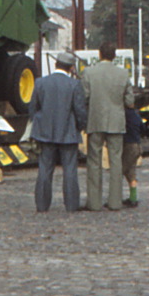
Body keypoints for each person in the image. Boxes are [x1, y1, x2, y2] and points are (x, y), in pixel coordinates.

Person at [30, 50, 87, 212]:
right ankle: (71, 205)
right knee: (70, 171)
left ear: (56, 64)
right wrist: (80, 127)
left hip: (45, 133)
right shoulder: (74, 85)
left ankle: (42, 205)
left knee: (44, 169)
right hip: (68, 134)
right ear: (71, 68)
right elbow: (80, 111)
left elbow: (33, 108)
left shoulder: (40, 83)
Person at [81, 43, 133, 212]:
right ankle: (115, 202)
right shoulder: (123, 74)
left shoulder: (89, 72)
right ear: (114, 56)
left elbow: (84, 97)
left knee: (94, 161)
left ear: (99, 54)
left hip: (95, 120)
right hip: (116, 122)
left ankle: (94, 203)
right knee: (116, 161)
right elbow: (130, 101)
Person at [121, 106, 144, 208]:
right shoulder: (135, 114)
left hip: (129, 146)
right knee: (131, 172)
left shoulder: (124, 114)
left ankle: (115, 198)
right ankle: (133, 198)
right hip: (138, 145)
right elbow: (143, 128)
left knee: (120, 171)